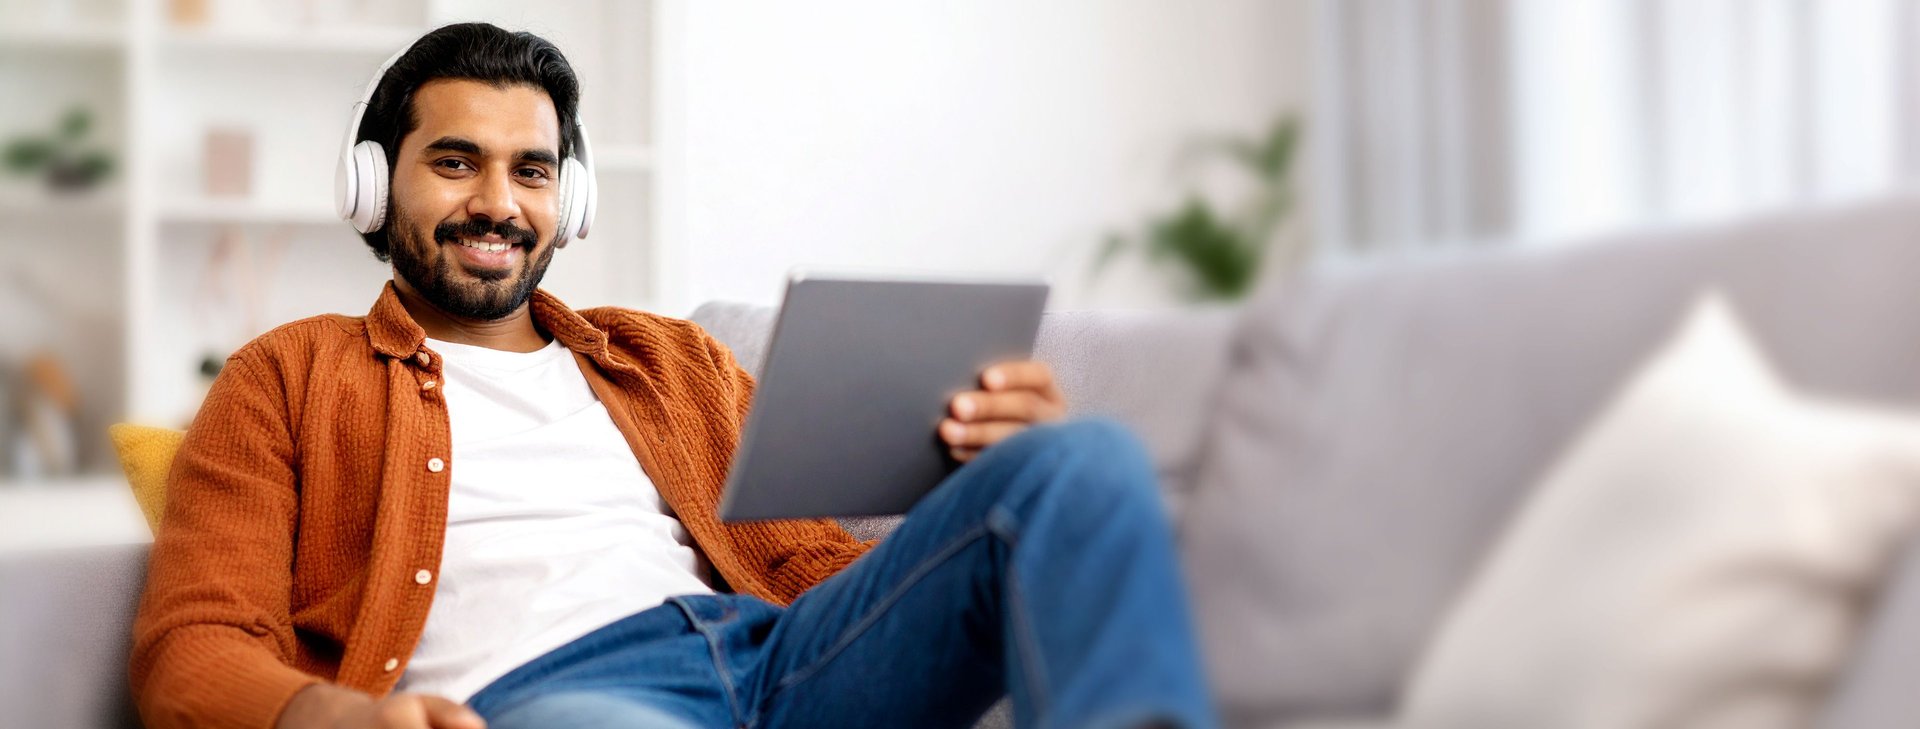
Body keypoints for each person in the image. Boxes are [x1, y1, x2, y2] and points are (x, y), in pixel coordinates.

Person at [130, 22, 1214, 729]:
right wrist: (333, 715)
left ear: (571, 204)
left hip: (785, 662)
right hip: (557, 698)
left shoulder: (673, 360)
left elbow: (816, 569)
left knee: (1083, 459)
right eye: (455, 162)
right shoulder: (286, 376)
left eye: (533, 171)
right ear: (373, 187)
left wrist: (978, 479)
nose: (498, 203)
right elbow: (193, 646)